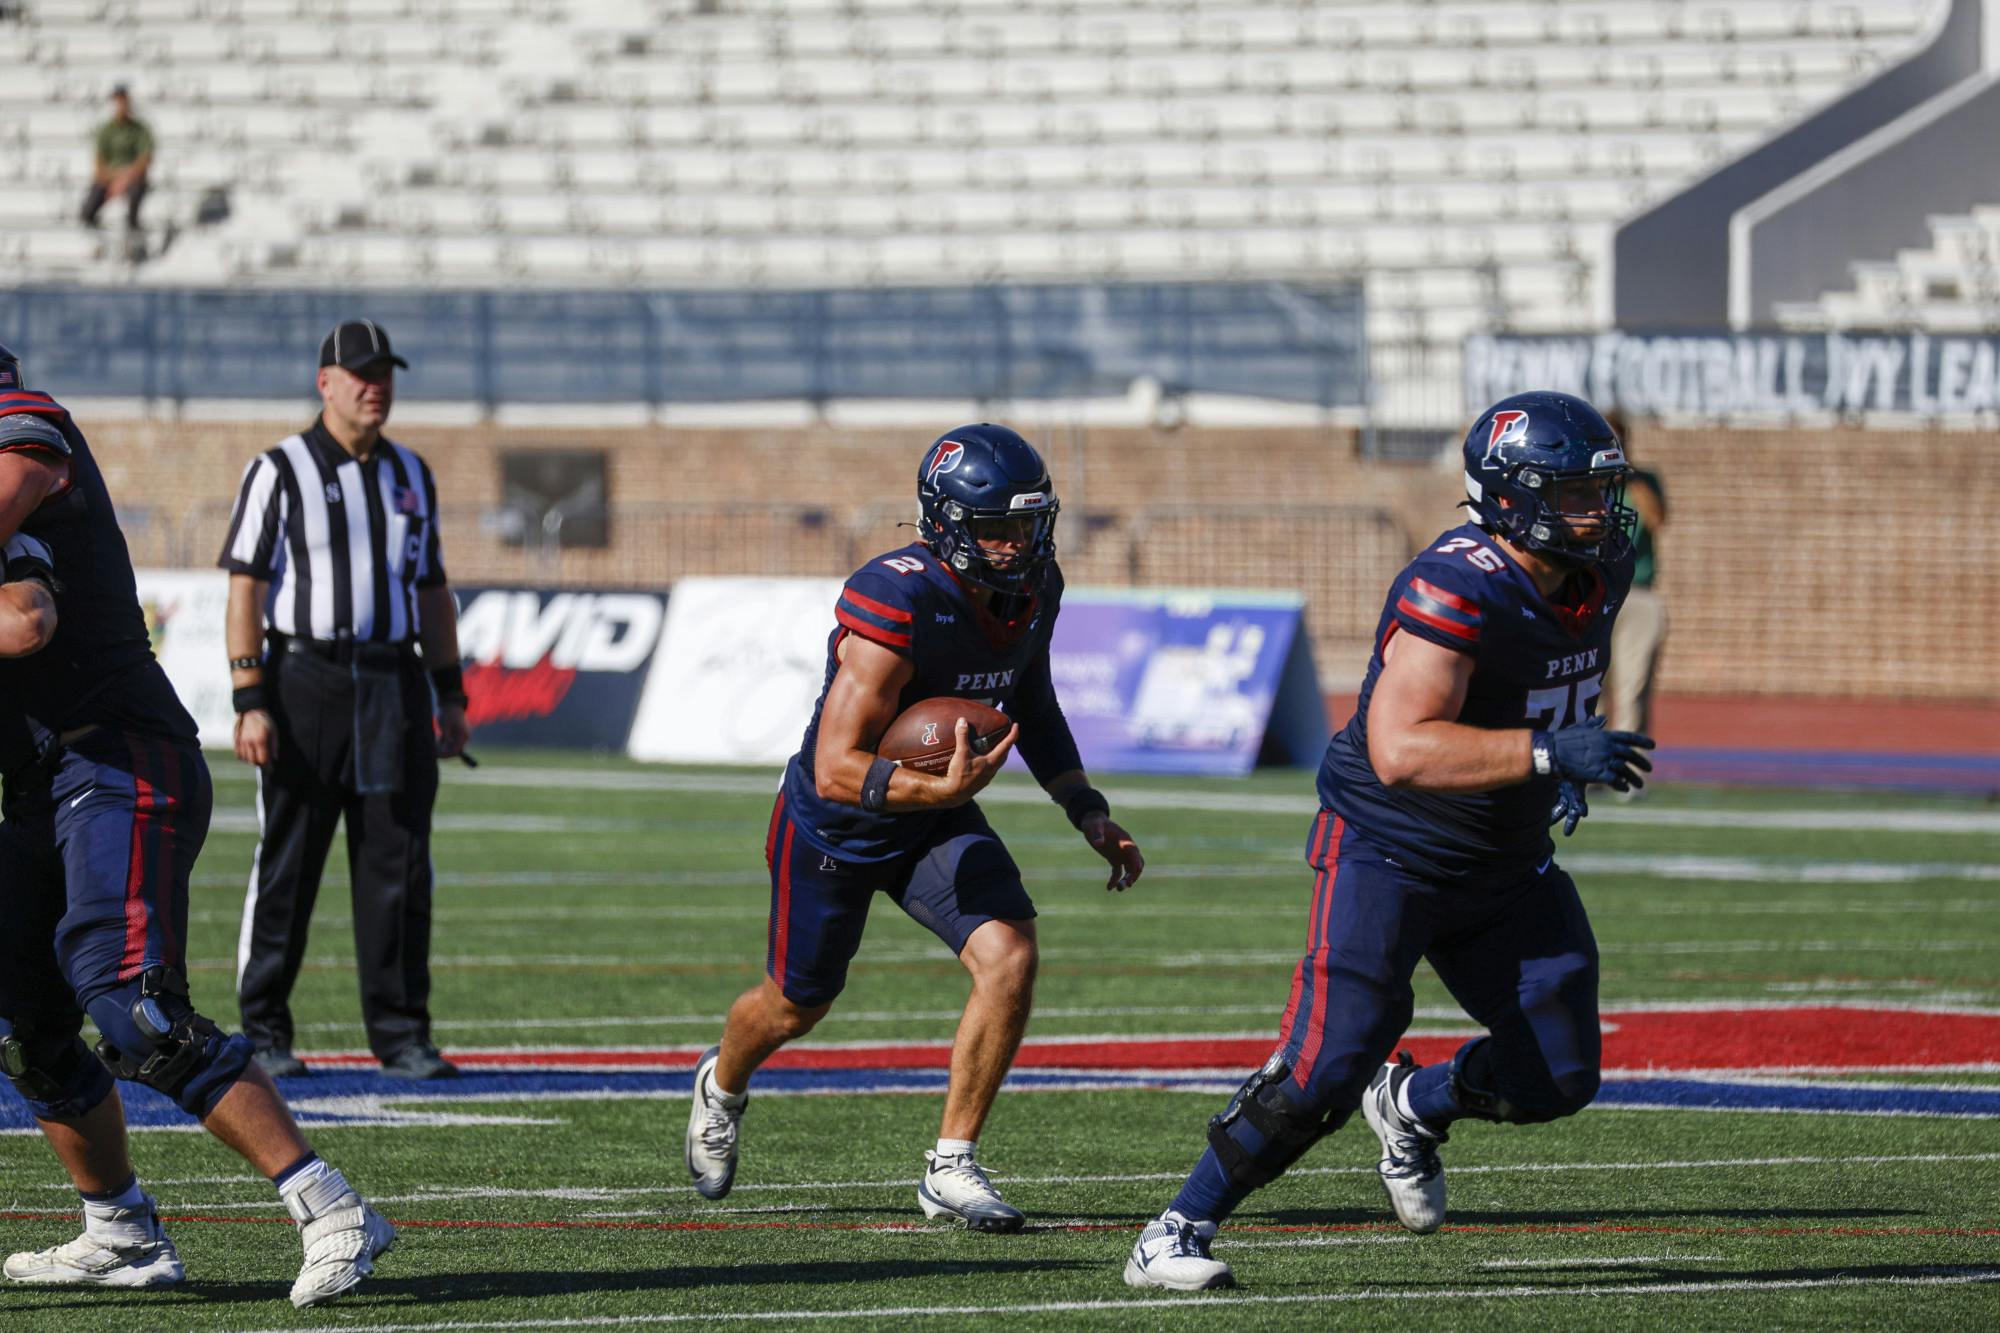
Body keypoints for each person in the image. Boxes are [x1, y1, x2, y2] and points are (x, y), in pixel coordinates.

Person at [1125, 391, 1655, 1291]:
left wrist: (1552, 760)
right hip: (1391, 845)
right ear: (1510, 496)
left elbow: (1540, 681)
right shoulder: (1457, 582)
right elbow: (1401, 749)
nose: (1594, 512)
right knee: (1330, 1056)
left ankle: (1412, 1102)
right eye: (1570, 493)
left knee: (1557, 1073)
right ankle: (1176, 1227)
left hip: (1504, 857)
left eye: (1599, 490)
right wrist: (1542, 751)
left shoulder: (1601, 564)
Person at [0, 343, 395, 1306]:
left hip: (118, 755)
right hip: (43, 778)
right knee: (25, 1016)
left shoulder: (22, 422)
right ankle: (122, 1230)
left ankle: (331, 1203)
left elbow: (24, 622)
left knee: (129, 1004)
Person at [685, 424, 1146, 1231]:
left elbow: (1028, 697)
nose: (1016, 545)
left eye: (1029, 525)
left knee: (1009, 952)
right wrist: (930, 785)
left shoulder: (1037, 587)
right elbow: (834, 766)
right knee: (796, 1005)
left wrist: (1084, 805)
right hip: (840, 822)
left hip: (932, 811)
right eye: (996, 528)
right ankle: (721, 1084)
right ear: (945, 524)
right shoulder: (898, 597)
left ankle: (952, 1165)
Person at [220, 319, 469, 1081]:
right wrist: (249, 695)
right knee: (289, 858)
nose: (376, 385)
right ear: (324, 382)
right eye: (360, 373)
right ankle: (263, 1027)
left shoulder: (411, 474)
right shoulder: (279, 469)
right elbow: (246, 588)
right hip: (306, 681)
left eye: (385, 372)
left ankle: (401, 1032)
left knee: (398, 859)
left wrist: (449, 693)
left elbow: (431, 592)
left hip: (392, 681)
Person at [1599, 414, 1668, 753]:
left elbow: (1658, 520)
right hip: (1593, 591)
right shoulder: (1585, 483)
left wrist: (1632, 480)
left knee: (1633, 683)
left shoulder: (1643, 481)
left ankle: (1625, 764)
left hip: (1637, 591)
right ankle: (1586, 763)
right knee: (1589, 684)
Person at [80, 86, 153, 235]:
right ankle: (96, 235)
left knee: (136, 197)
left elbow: (144, 160)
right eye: (118, 102)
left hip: (132, 179)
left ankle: (133, 230)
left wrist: (125, 179)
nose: (121, 106)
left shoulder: (140, 129)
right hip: (110, 178)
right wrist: (114, 181)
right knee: (87, 209)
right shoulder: (106, 130)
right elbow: (99, 164)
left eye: (124, 102)